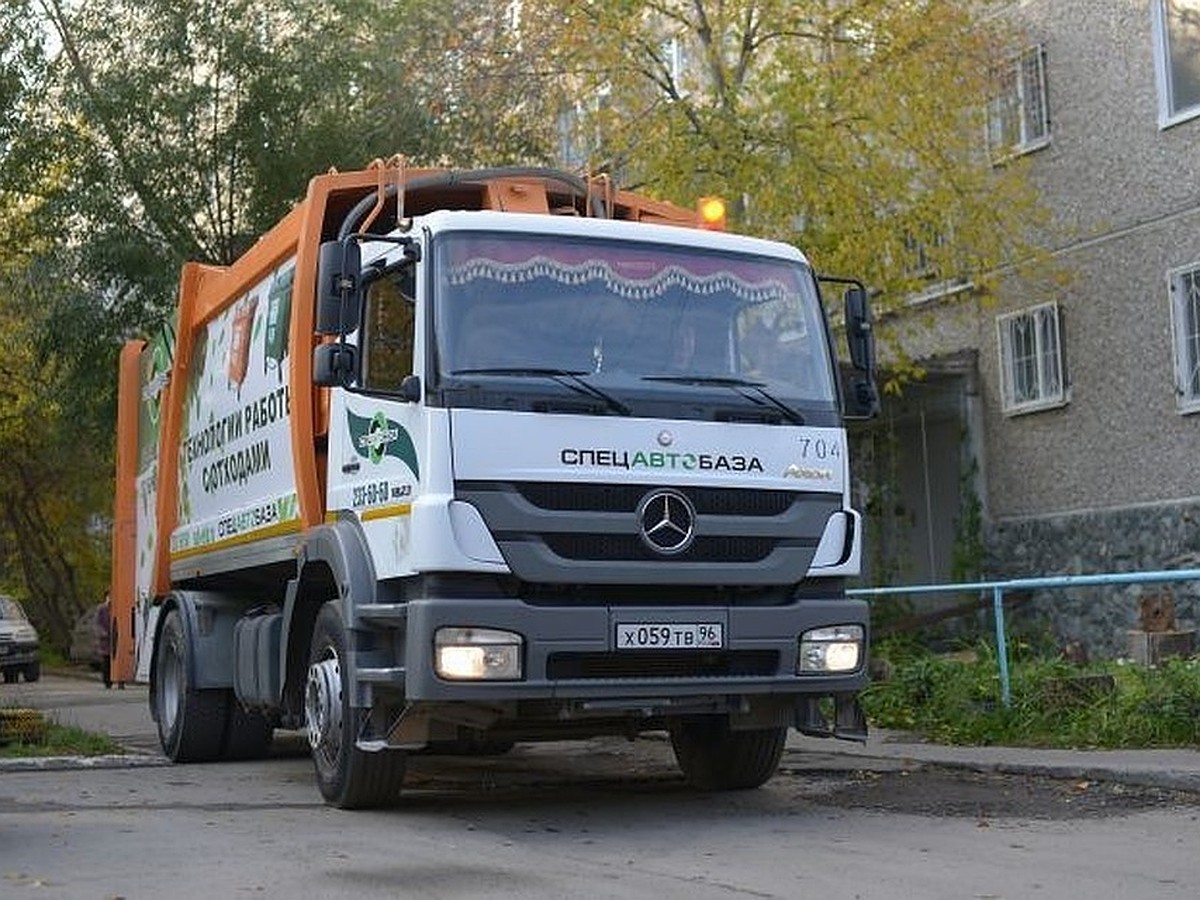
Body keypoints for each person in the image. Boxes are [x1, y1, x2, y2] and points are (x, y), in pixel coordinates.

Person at [95, 595, 113, 689]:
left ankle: (113, 679)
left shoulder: (114, 607)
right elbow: (98, 623)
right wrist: (103, 633)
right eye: (108, 596)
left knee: (112, 660)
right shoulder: (101, 608)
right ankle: (106, 681)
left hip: (113, 637)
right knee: (106, 659)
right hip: (105, 638)